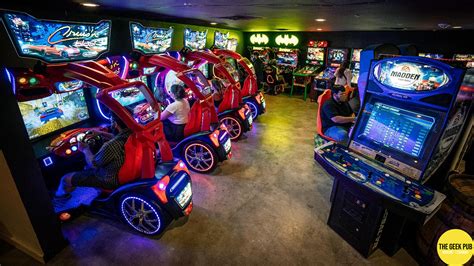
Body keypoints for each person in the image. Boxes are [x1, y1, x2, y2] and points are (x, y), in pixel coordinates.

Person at [55, 113, 131, 197]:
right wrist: (101, 133)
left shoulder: (111, 146)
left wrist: (85, 149)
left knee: (65, 179)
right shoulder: (132, 134)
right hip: (126, 173)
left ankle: (60, 198)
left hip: (109, 180)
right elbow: (116, 137)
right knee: (86, 168)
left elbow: (93, 164)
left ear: (115, 123)